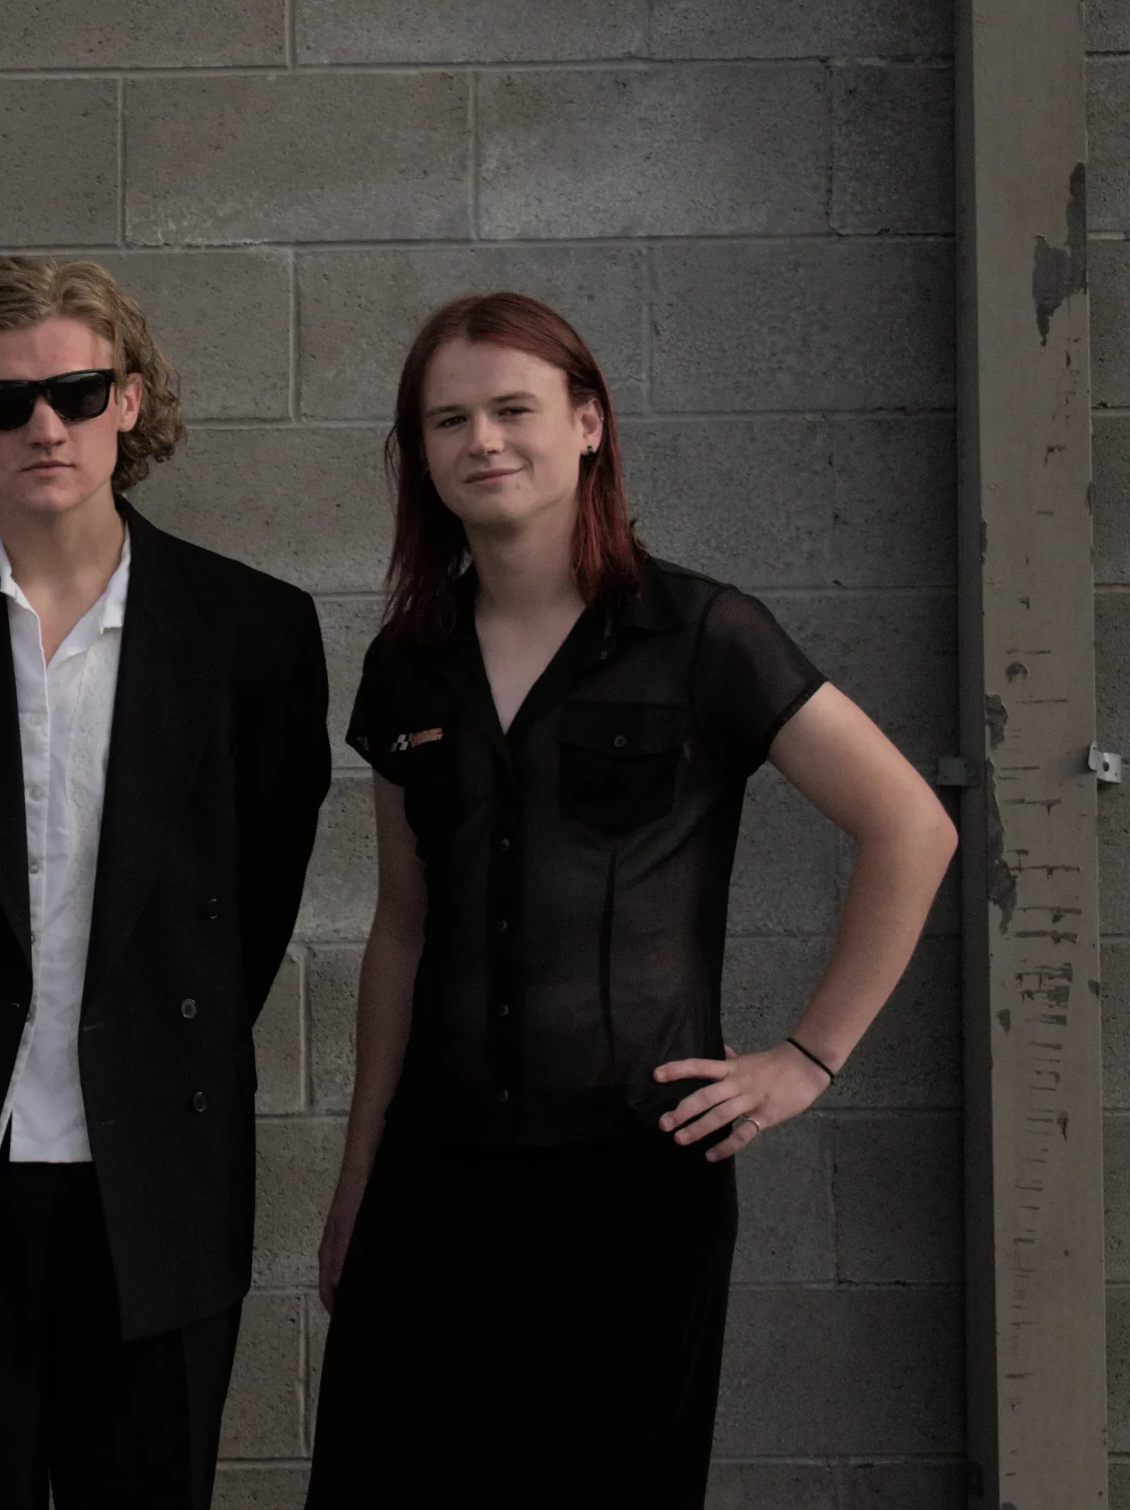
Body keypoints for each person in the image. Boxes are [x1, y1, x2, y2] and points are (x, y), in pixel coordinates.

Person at [305, 293, 961, 1507]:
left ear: (589, 422)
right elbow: (402, 928)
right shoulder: (408, 658)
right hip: (437, 1175)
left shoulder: (702, 632)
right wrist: (357, 1176)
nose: (482, 441)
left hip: (631, 1182)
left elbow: (912, 825)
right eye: (448, 419)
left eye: (514, 409)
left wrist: (809, 1057)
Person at [0, 256, 332, 1508]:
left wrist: (153, 1036)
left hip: (156, 1171)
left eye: (77, 392)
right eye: (4, 402)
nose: (44, 425)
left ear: (130, 403)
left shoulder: (250, 626)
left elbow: (250, 902)